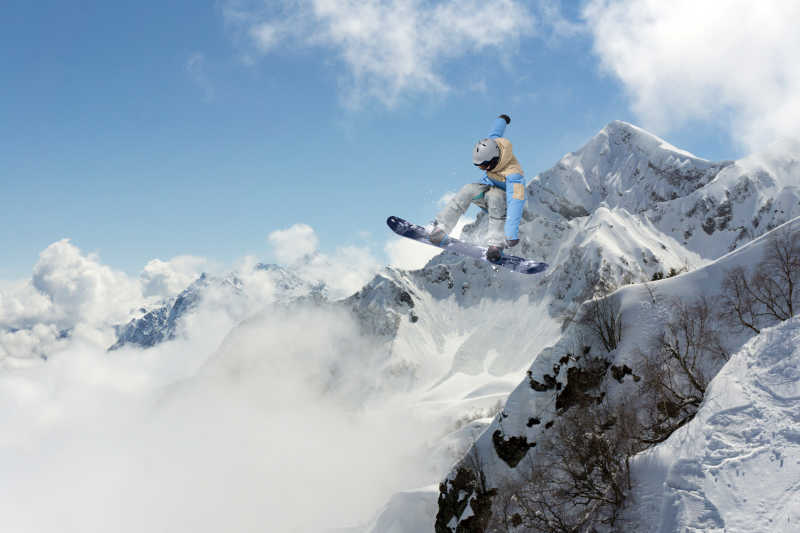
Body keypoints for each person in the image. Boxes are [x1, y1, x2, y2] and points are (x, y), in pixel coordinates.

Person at [429, 114, 525, 263]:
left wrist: (511, 234)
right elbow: (495, 131)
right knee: (468, 189)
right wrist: (502, 120)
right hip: (488, 190)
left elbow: (516, 205)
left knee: (495, 196)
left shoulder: (514, 177)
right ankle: (442, 227)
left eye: (483, 166)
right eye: (478, 165)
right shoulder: (493, 144)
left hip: (503, 205)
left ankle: (496, 245)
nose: (481, 169)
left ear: (493, 161)